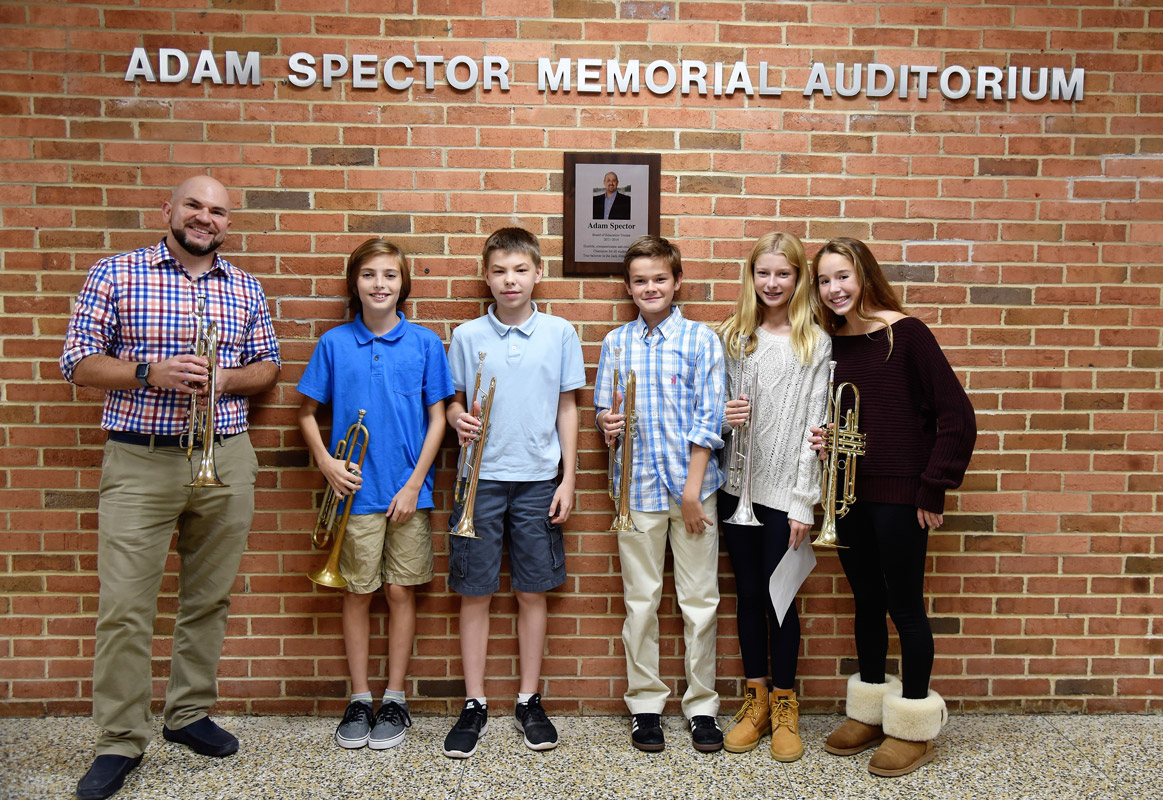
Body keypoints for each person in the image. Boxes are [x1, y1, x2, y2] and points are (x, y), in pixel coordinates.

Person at [60, 176, 281, 800]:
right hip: (141, 459)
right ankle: (119, 740)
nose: (205, 218)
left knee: (209, 598)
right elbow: (76, 361)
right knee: (126, 607)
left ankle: (187, 713)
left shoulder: (245, 286)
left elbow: (269, 366)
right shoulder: (116, 273)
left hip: (224, 455)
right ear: (169, 211)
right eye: (194, 206)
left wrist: (227, 380)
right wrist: (147, 372)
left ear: (228, 223)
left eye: (218, 211)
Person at [808, 237, 976, 777]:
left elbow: (957, 415)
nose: (834, 289)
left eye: (843, 276)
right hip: (848, 494)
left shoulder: (907, 334)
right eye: (824, 280)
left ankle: (912, 726)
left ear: (865, 276)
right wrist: (826, 438)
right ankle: (870, 710)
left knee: (904, 606)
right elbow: (845, 415)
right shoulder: (831, 342)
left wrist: (934, 487)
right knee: (866, 602)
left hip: (901, 495)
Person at [297, 239, 453, 751]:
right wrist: (326, 462)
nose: (380, 284)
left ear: (403, 284)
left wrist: (414, 484)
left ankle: (395, 698)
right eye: (369, 274)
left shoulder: (425, 342)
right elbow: (305, 413)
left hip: (407, 494)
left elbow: (438, 420)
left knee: (401, 592)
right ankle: (360, 697)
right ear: (355, 283)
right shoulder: (335, 342)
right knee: (358, 593)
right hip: (356, 495)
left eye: (390, 275)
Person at [442, 227, 585, 758]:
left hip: (538, 480)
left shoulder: (560, 333)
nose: (510, 280)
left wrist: (568, 478)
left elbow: (568, 407)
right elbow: (453, 402)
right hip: (477, 481)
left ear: (538, 273)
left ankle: (529, 698)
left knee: (532, 591)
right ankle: (474, 702)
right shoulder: (466, 335)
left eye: (521, 270)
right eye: (499, 270)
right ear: (486, 276)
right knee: (475, 591)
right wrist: (457, 418)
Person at [594, 235, 727, 754]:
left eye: (659, 279)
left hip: (693, 490)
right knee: (641, 602)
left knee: (699, 603)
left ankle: (702, 708)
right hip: (636, 491)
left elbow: (709, 419)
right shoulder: (615, 342)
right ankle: (645, 706)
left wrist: (692, 491)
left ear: (677, 282)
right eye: (640, 281)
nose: (650, 288)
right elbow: (604, 413)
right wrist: (607, 423)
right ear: (628, 287)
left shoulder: (700, 340)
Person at [716, 232, 831, 761]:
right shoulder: (733, 336)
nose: (772, 282)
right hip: (736, 488)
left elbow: (815, 425)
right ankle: (756, 700)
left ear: (799, 278)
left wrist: (804, 500)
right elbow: (711, 411)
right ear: (751, 276)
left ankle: (786, 703)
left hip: (785, 494)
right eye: (763, 272)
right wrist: (723, 417)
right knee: (747, 596)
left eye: (783, 273)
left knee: (780, 599)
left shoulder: (815, 343)